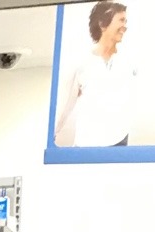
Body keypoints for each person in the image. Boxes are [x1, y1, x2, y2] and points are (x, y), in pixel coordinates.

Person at [54, 1, 136, 149]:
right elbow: (66, 104)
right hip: (86, 146)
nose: (125, 26)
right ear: (103, 24)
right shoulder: (81, 61)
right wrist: (52, 134)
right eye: (121, 20)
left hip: (118, 143)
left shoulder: (128, 61)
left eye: (126, 21)